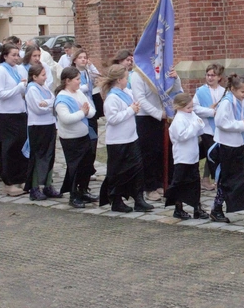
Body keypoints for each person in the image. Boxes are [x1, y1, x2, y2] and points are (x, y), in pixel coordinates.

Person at [208, 74, 244, 224]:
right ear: (233, 89)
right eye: (242, 92)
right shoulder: (226, 103)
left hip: (240, 144)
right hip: (226, 146)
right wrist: (241, 125)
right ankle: (217, 209)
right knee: (226, 179)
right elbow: (221, 122)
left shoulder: (243, 101)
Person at [98, 65, 154, 213]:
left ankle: (138, 198)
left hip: (131, 137)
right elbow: (113, 118)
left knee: (137, 169)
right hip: (117, 141)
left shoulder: (127, 92)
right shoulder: (112, 98)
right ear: (119, 80)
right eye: (126, 77)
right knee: (118, 172)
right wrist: (131, 110)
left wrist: (135, 107)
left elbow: (135, 104)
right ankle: (116, 200)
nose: (128, 79)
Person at [132, 65, 183, 201]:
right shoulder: (138, 74)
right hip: (146, 117)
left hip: (163, 115)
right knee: (149, 153)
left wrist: (175, 78)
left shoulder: (160, 73)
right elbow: (140, 99)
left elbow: (175, 90)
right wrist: (158, 114)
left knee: (162, 151)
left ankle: (161, 182)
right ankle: (149, 187)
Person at [54, 67, 98, 208]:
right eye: (77, 79)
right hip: (70, 139)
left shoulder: (79, 93)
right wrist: (82, 112)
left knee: (86, 164)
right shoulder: (61, 98)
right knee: (75, 167)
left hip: (83, 135)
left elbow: (91, 110)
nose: (80, 82)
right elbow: (66, 119)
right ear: (68, 81)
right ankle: (73, 195)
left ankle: (83, 190)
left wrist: (86, 112)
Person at [0, 43, 29, 196]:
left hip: (19, 112)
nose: (16, 57)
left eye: (17, 54)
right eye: (13, 55)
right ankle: (9, 182)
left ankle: (21, 177)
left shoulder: (17, 70)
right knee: (9, 148)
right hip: (6, 115)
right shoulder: (0, 71)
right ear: (5, 56)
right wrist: (18, 88)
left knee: (21, 146)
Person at [166, 93, 208, 219]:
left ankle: (197, 207)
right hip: (182, 157)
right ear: (179, 107)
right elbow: (182, 136)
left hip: (193, 155)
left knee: (195, 182)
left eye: (191, 107)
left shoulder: (191, 114)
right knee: (180, 182)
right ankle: (178, 208)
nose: (191, 110)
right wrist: (195, 126)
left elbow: (200, 126)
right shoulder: (178, 119)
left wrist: (197, 126)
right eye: (188, 108)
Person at [24, 63, 61, 201]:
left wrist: (48, 103)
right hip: (37, 126)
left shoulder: (44, 87)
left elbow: (54, 100)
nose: (45, 78)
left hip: (50, 124)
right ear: (34, 77)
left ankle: (47, 184)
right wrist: (49, 104)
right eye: (43, 75)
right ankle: (34, 188)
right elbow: (38, 108)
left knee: (49, 155)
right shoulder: (32, 88)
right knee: (38, 156)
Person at [193, 63, 225, 191]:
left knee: (208, 152)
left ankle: (205, 179)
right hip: (206, 128)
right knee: (213, 153)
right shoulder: (201, 91)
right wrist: (211, 112)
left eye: (213, 75)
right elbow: (195, 108)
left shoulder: (224, 91)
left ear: (219, 77)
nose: (210, 78)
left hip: (219, 128)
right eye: (208, 75)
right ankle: (218, 180)